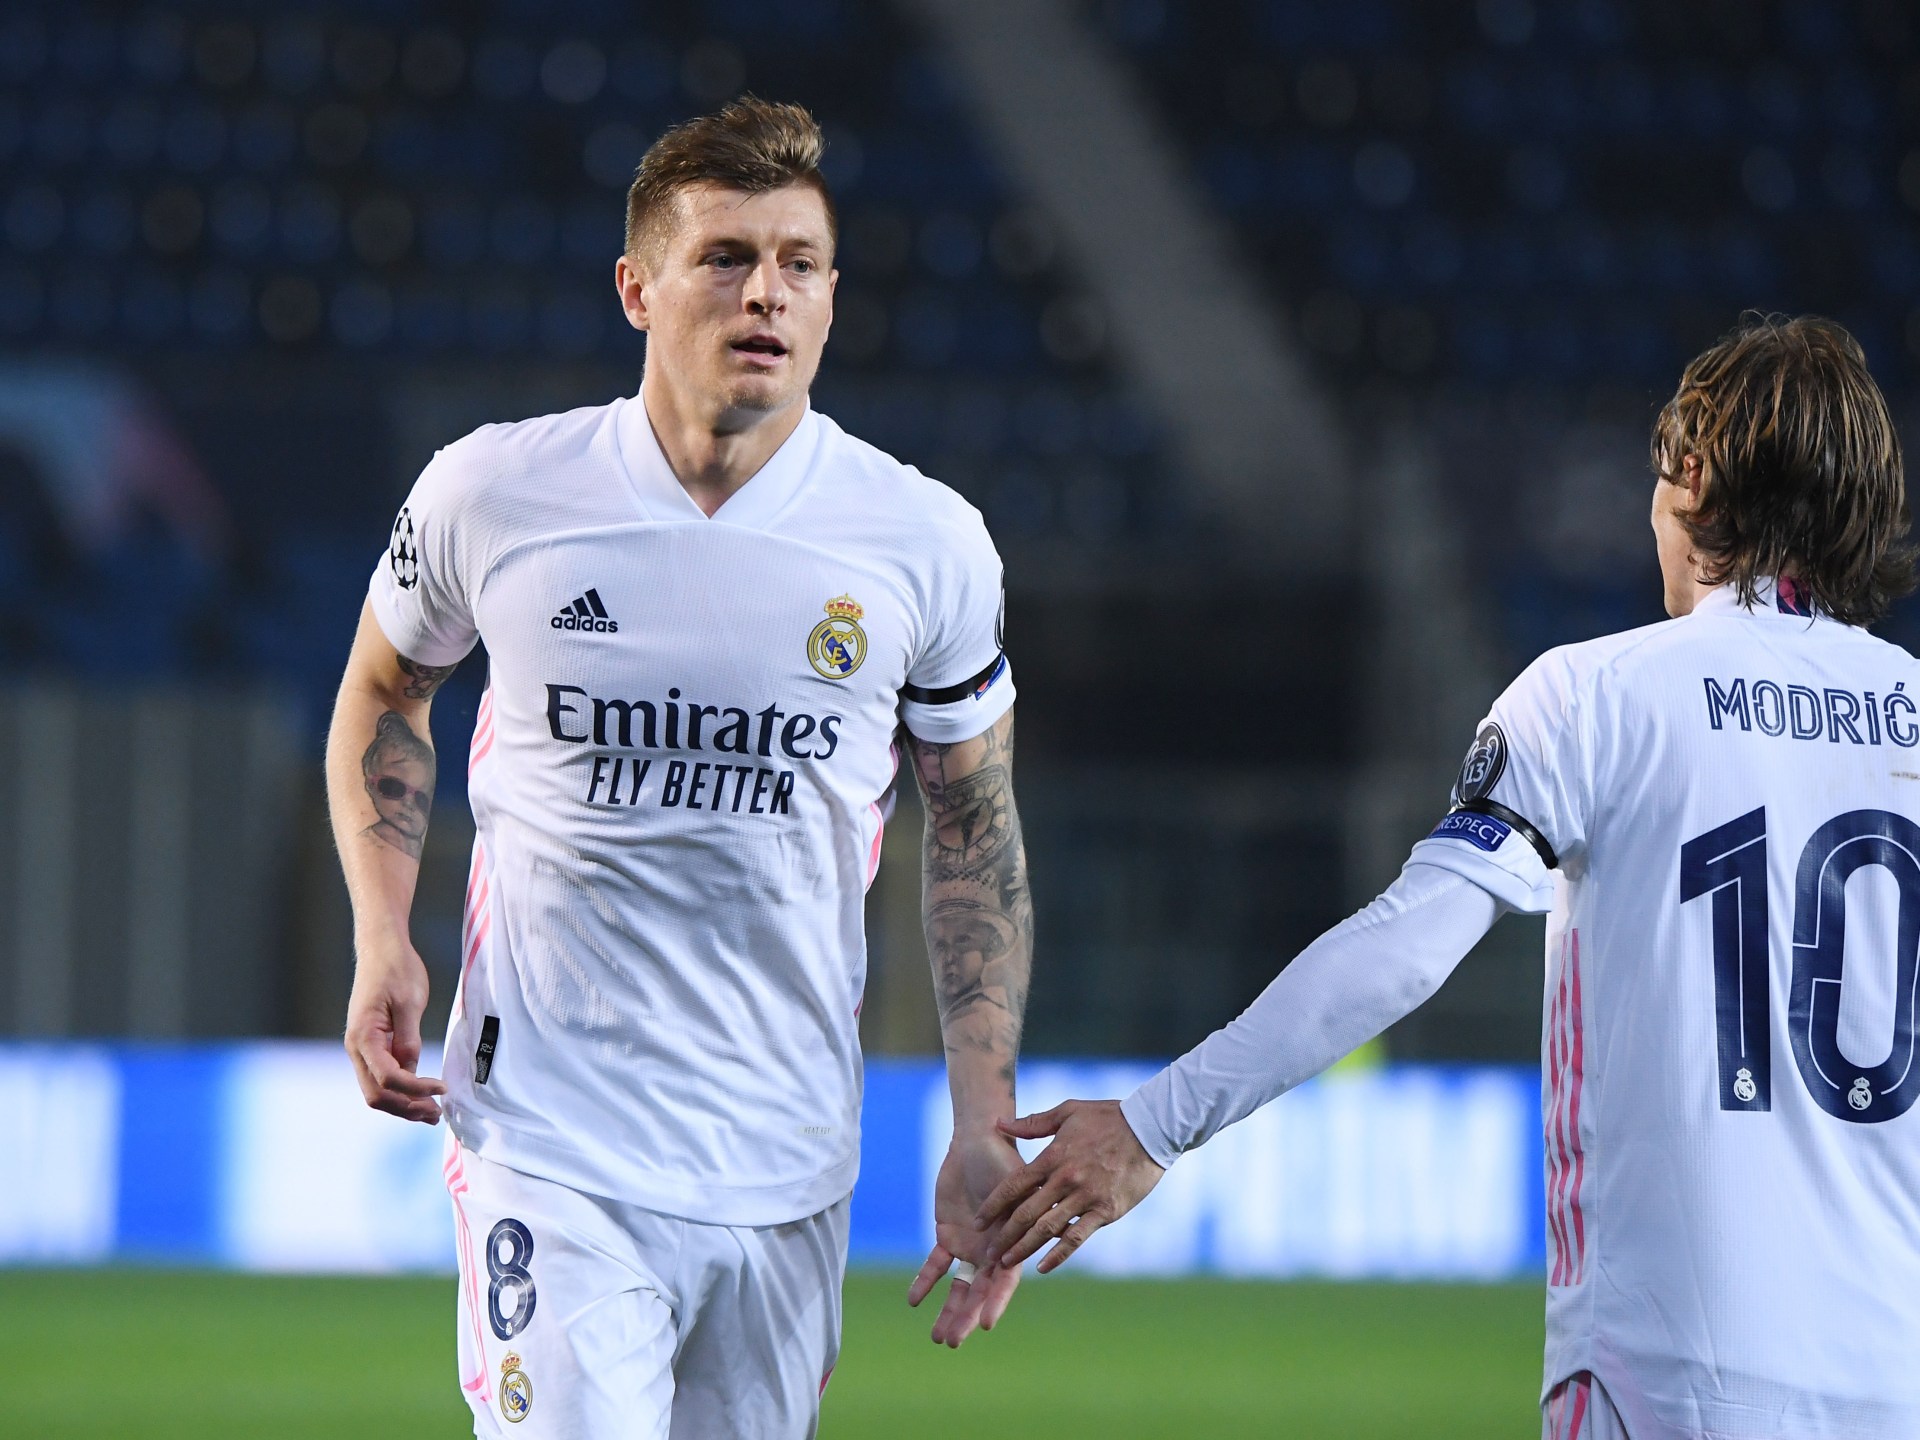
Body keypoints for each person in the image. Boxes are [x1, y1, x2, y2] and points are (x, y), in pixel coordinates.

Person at [976, 315, 1920, 1440]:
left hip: (1671, 1378)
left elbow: (1406, 945)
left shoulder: (1597, 695)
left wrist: (1155, 1125)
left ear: (1695, 480)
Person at [326, 96, 1033, 1439]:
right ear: (637, 289)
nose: (767, 292)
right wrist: (382, 935)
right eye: (726, 258)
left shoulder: (924, 542)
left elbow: (974, 831)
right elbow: (385, 688)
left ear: (832, 300)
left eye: (800, 264)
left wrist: (982, 1116)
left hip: (786, 1159)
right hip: (549, 1138)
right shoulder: (494, 493)